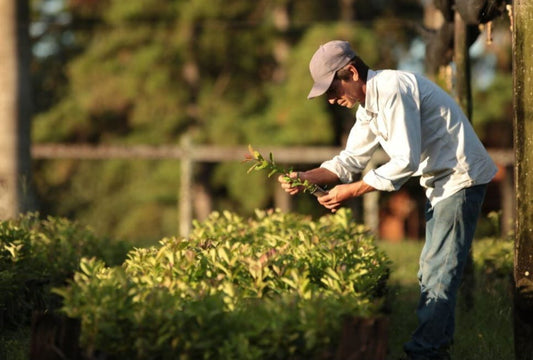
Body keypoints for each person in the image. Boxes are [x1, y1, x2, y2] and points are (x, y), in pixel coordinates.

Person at [278, 40, 497, 360]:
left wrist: (350, 191)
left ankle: (426, 353)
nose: (330, 98)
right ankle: (434, 349)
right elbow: (350, 160)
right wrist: (305, 178)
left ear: (351, 72)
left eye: (332, 88)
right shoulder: (369, 107)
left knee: (439, 273)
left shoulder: (391, 88)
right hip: (441, 182)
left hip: (460, 178)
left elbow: (405, 161)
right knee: (431, 271)